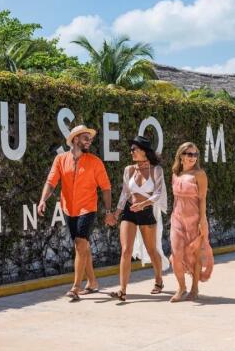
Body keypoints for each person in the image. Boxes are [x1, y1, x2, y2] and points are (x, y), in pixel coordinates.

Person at [37, 125, 115, 302]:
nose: (89, 141)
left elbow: (106, 188)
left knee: (80, 243)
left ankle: (76, 287)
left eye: (90, 138)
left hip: (88, 208)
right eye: (86, 138)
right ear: (75, 140)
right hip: (69, 208)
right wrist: (43, 200)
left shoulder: (95, 162)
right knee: (82, 246)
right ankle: (93, 281)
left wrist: (108, 211)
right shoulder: (60, 159)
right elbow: (51, 182)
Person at [109, 136, 169, 302]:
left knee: (152, 249)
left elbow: (158, 193)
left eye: (134, 149)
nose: (131, 152)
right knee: (126, 250)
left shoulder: (156, 169)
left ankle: (158, 280)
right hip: (129, 211)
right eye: (131, 149)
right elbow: (125, 193)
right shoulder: (129, 169)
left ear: (144, 151)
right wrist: (116, 212)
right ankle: (122, 290)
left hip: (147, 211)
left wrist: (144, 204)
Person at [169, 142, 214, 302]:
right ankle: (181, 287)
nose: (192, 158)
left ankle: (194, 288)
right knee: (175, 255)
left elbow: (202, 199)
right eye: (189, 154)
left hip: (194, 219)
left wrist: (202, 220)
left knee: (195, 255)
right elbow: (175, 199)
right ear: (181, 156)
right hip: (177, 219)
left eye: (195, 155)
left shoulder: (199, 174)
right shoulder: (175, 173)